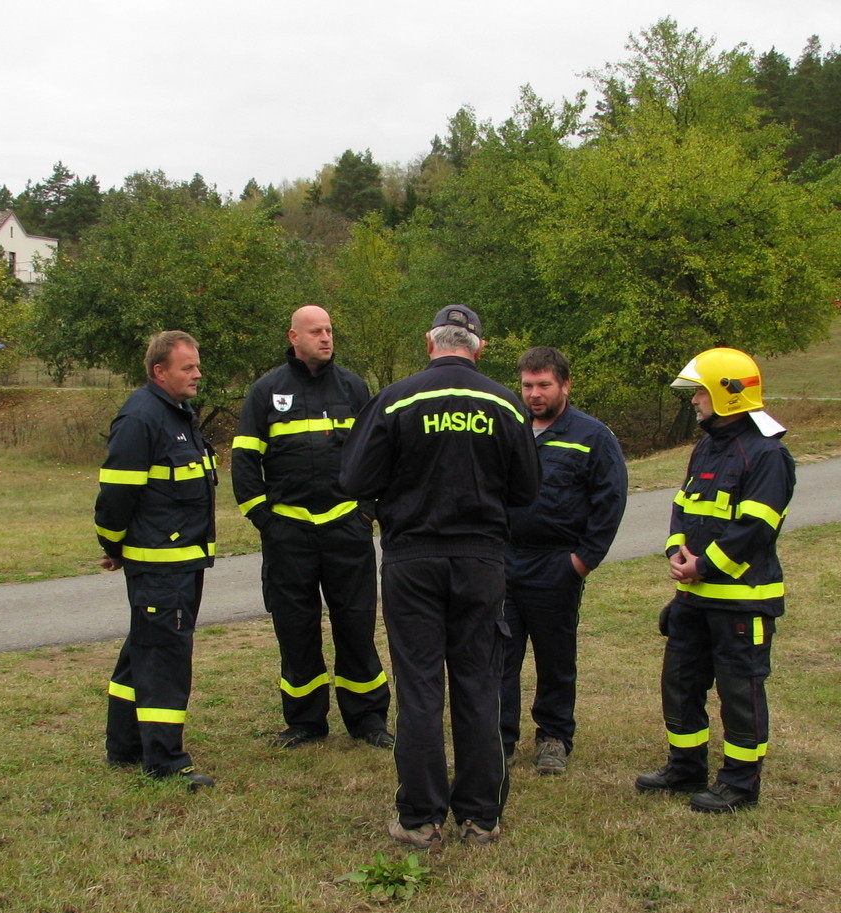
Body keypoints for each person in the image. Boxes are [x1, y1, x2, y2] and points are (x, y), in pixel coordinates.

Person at [340, 305, 539, 849]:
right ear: (478, 346)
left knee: (420, 686)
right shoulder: (505, 403)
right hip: (481, 562)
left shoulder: (395, 399)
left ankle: (420, 819)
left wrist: (392, 504)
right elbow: (527, 490)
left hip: (412, 559)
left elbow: (354, 477)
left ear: (430, 343)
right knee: (479, 682)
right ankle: (480, 818)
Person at [635, 348, 796, 813]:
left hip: (742, 603)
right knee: (680, 684)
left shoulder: (767, 455)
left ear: (726, 394)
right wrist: (675, 550)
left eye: (700, 392)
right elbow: (683, 506)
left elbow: (756, 527)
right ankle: (685, 767)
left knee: (739, 692)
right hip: (693, 599)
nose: (694, 401)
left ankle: (740, 784)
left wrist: (701, 565)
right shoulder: (706, 445)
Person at [232, 305, 392, 750]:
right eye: (316, 331)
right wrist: (264, 519)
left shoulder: (353, 386)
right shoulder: (267, 391)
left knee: (356, 626)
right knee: (296, 628)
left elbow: (377, 451)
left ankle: (368, 720)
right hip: (289, 536)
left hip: (346, 529)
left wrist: (367, 510)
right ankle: (304, 721)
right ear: (294, 337)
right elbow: (245, 459)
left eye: (329, 330)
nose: (326, 337)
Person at [95, 330, 217, 791]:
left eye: (197, 364)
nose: (197, 374)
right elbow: (116, 494)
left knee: (143, 651)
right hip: (161, 565)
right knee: (164, 658)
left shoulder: (177, 415)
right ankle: (164, 759)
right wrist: (112, 544)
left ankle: (124, 745)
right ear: (158, 371)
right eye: (187, 367)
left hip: (179, 563)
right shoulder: (142, 418)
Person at [500, 347, 627, 776]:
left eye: (544, 385)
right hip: (504, 563)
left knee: (555, 658)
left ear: (565, 385)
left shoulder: (593, 436)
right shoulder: (509, 428)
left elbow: (609, 502)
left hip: (556, 565)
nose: (534, 394)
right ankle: (500, 739)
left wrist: (581, 561)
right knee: (499, 656)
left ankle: (554, 738)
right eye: (528, 386)